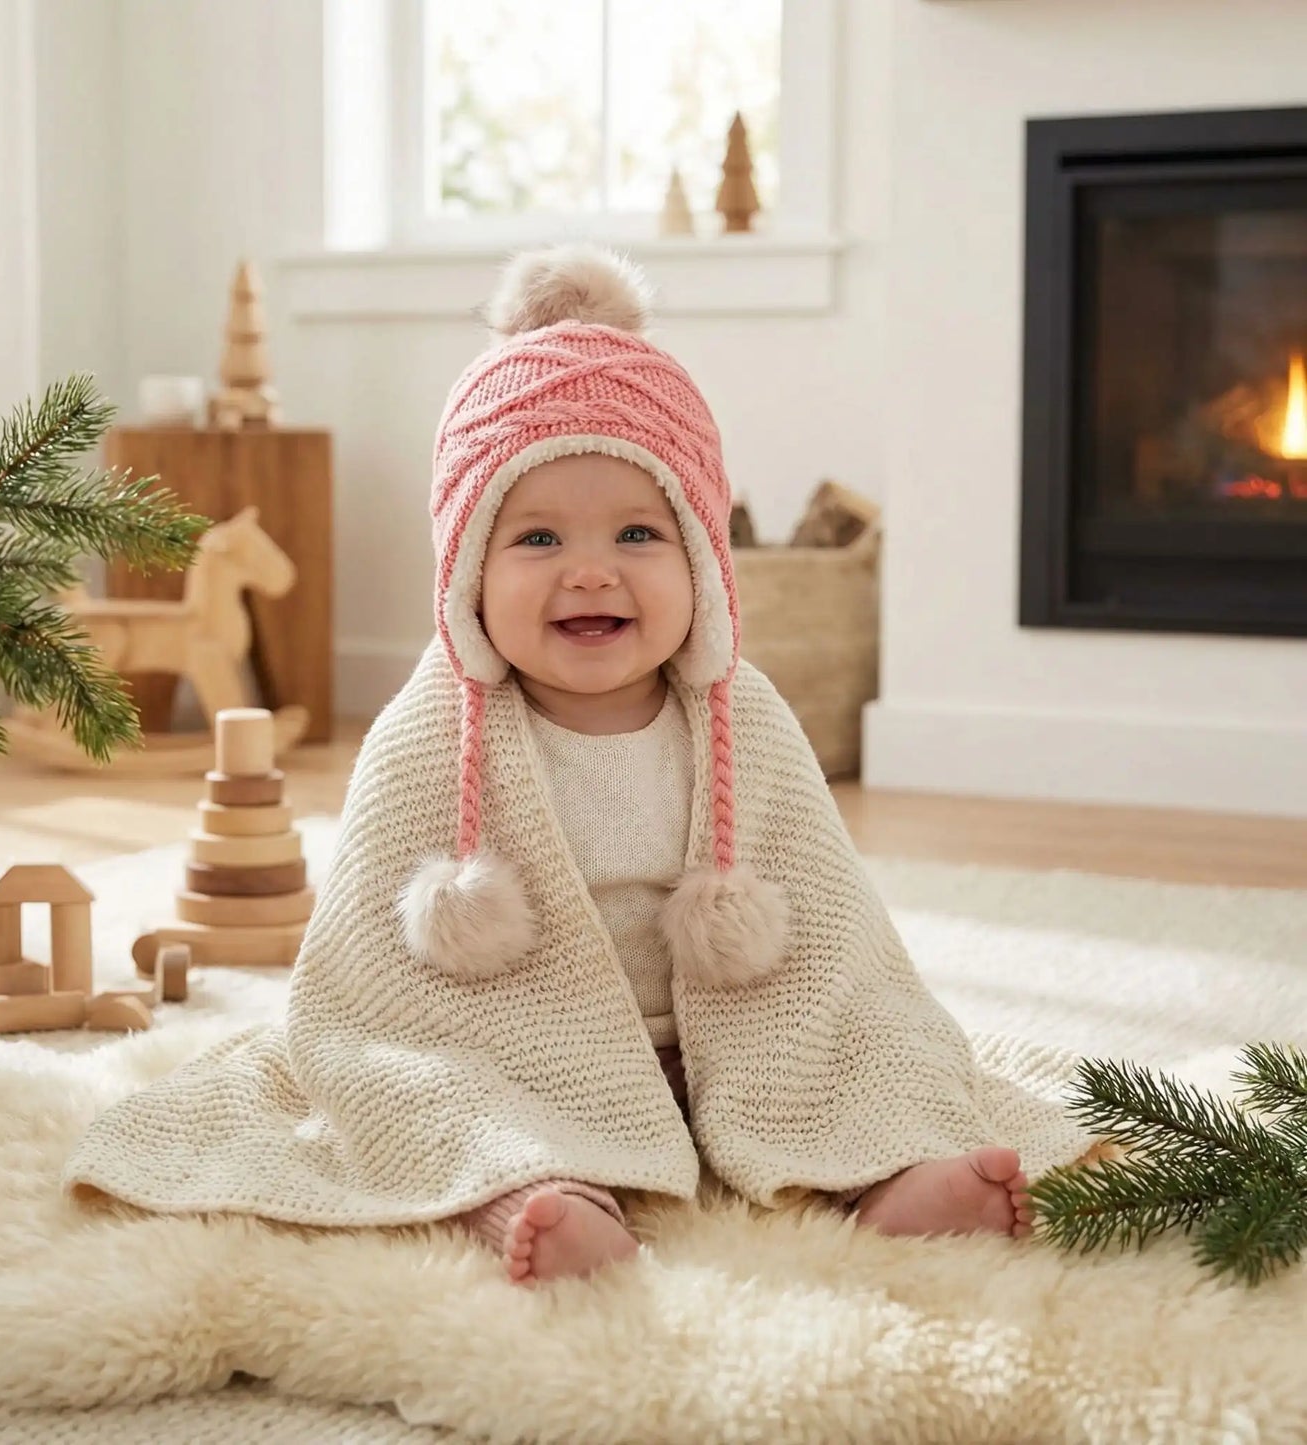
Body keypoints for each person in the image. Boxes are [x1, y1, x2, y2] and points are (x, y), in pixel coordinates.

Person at [64, 245, 1092, 1288]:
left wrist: (842, 1016)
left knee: (877, 1035)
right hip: (513, 1038)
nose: (588, 570)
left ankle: (895, 1174)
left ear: (700, 561)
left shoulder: (742, 719)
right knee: (414, 1083)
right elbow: (365, 982)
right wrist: (404, 1048)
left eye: (638, 532)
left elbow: (830, 930)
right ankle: (535, 1194)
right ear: (467, 568)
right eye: (538, 536)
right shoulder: (431, 731)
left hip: (728, 1032)